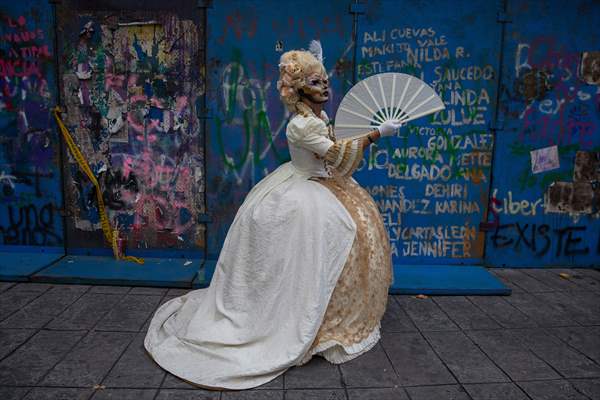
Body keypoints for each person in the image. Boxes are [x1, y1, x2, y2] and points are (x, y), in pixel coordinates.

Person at [144, 43, 404, 390]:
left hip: (324, 185)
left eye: (325, 81)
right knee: (307, 253)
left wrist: (365, 135)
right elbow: (338, 155)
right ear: (299, 90)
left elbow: (336, 156)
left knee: (346, 239)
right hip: (302, 192)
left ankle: (331, 319)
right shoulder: (301, 126)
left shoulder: (318, 118)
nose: (325, 88)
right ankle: (293, 319)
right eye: (315, 83)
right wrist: (375, 135)